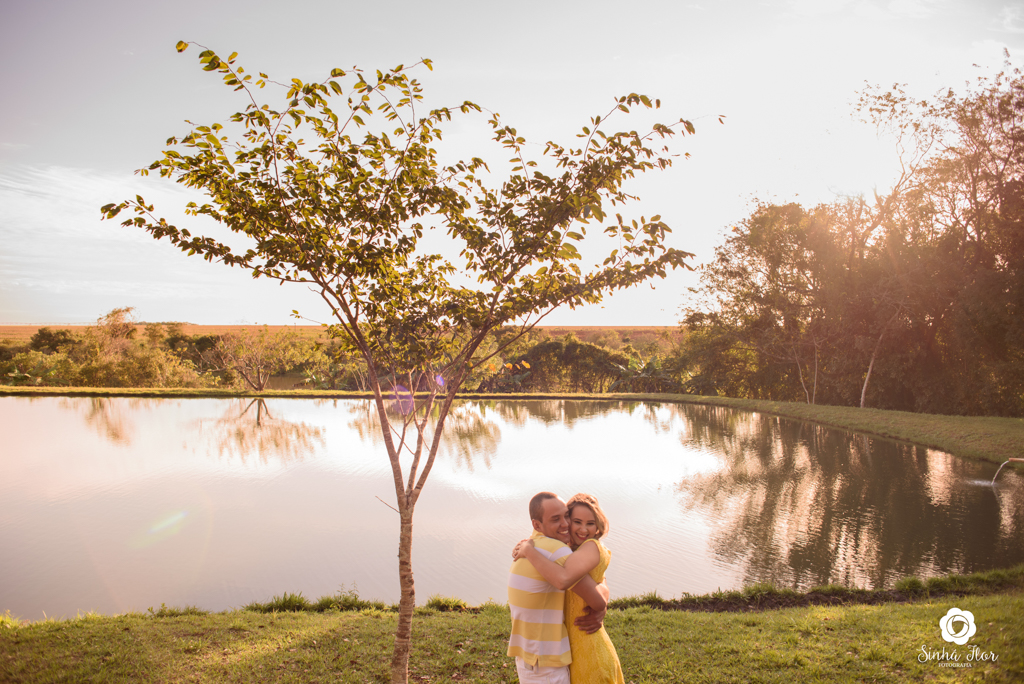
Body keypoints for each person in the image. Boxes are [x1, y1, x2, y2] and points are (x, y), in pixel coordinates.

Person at [514, 493, 625, 684]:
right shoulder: (567, 551)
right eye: (576, 521)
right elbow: (598, 579)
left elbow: (565, 580)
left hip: (589, 648)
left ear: (598, 525)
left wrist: (529, 550)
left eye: (590, 523)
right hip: (570, 650)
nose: (583, 529)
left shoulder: (587, 548)